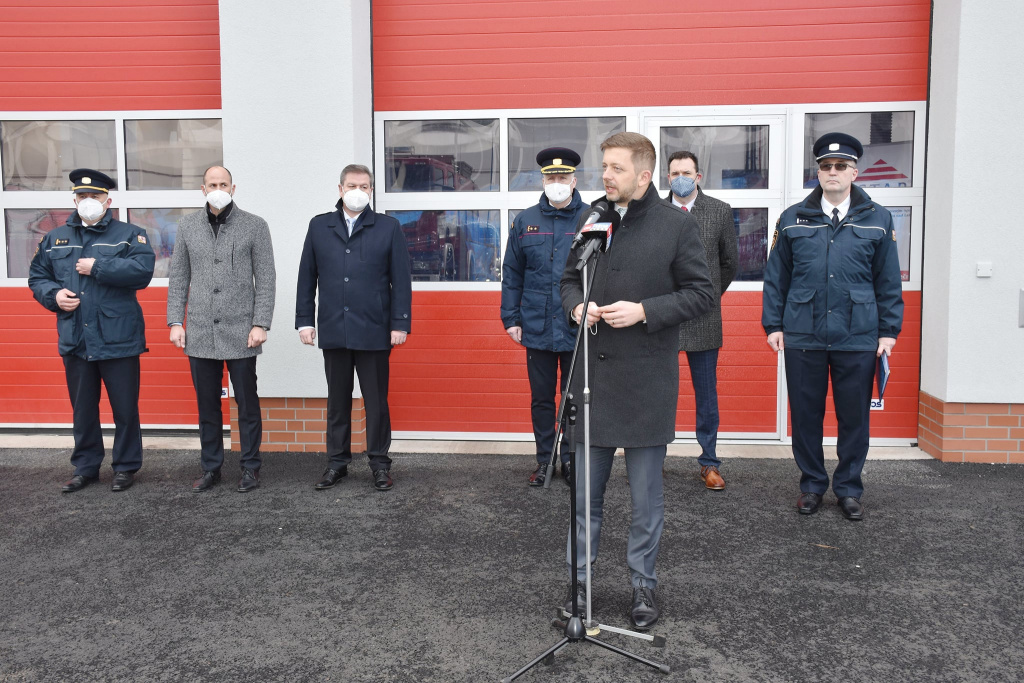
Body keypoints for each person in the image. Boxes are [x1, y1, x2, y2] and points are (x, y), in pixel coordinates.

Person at [560, 132, 714, 630]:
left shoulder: (675, 225)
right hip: (595, 381)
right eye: (604, 166)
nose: (605, 175)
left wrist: (646, 310)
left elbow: (701, 294)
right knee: (585, 497)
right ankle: (579, 582)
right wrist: (576, 307)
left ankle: (643, 584)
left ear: (644, 175)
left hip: (648, 382)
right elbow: (568, 280)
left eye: (616, 168)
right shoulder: (593, 219)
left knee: (646, 501)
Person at [762, 133, 903, 521]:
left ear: (854, 172)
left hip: (858, 335)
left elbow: (888, 281)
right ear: (818, 172)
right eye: (826, 166)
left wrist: (888, 331)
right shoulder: (792, 218)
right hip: (803, 333)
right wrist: (773, 324)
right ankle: (811, 485)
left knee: (854, 417)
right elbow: (776, 278)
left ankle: (849, 489)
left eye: (841, 166)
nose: (833, 172)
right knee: (806, 415)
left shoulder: (878, 218)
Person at [28, 169, 155, 493]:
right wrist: (54, 295)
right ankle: (85, 467)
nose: (88, 201)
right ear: (74, 200)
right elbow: (38, 276)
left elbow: (142, 272)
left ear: (107, 201)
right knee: (83, 409)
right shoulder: (55, 238)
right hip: (76, 338)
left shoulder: (130, 234)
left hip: (118, 338)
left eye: (94, 196)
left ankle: (125, 467)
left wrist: (98, 266)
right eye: (82, 196)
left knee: (125, 409)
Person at [296, 164, 412, 492]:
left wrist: (400, 323)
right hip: (334, 329)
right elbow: (307, 277)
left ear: (371, 190)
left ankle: (380, 464)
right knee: (337, 402)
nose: (357, 191)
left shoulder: (388, 228)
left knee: (376, 402)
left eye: (364, 186)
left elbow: (401, 280)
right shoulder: (319, 226)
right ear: (340, 188)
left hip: (374, 331)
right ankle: (337, 463)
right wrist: (304, 320)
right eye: (351, 185)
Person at [167, 166, 276, 493]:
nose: (218, 189)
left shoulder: (255, 225)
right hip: (200, 330)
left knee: (247, 403)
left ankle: (250, 467)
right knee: (207, 406)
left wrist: (261, 323)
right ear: (203, 189)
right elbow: (179, 277)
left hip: (242, 331)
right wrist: (175, 321)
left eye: (223, 184)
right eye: (212, 184)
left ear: (233, 188)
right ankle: (211, 468)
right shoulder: (187, 226)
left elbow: (266, 278)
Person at [500, 147, 589, 488]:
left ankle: (570, 460)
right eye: (551, 178)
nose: (557, 183)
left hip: (577, 326)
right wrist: (511, 318)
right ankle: (545, 460)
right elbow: (512, 274)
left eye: (563, 177)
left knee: (573, 399)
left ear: (574, 180)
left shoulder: (591, 218)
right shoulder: (525, 221)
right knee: (541, 399)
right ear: (542, 181)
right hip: (536, 327)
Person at [665, 151, 738, 490]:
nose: (680, 178)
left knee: (706, 394)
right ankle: (652, 457)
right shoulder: (655, 211)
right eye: (674, 173)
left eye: (686, 172)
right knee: (659, 392)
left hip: (703, 317)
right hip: (663, 314)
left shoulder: (719, 211)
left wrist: (707, 296)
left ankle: (709, 462)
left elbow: (729, 262)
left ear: (699, 176)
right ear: (667, 177)